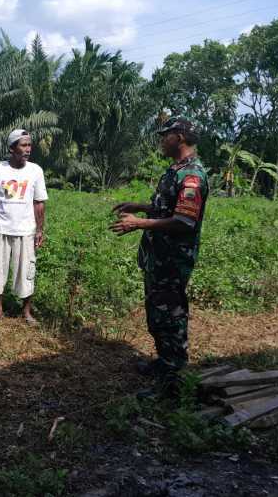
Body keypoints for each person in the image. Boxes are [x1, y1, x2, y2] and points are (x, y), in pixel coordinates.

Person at [110, 117, 209, 396]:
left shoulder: (192, 175)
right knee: (157, 313)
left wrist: (138, 223)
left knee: (171, 317)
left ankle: (173, 381)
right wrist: (140, 206)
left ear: (178, 137)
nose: (161, 140)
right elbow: (165, 206)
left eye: (165, 135)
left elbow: (183, 221)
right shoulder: (175, 170)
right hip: (158, 257)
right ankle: (164, 363)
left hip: (173, 260)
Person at [0, 129, 48, 325]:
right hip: (1, 228)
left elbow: (39, 203)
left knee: (26, 271)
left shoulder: (35, 171)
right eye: (23, 145)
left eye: (29, 145)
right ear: (11, 148)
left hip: (26, 230)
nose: (28, 149)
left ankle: (26, 312)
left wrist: (39, 230)